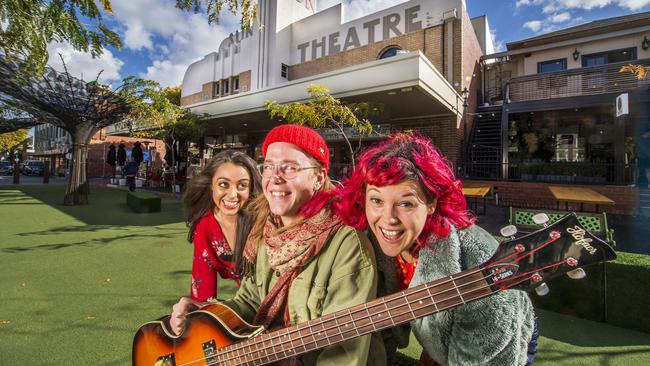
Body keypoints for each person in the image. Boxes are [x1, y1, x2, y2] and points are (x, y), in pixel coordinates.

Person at [170, 125, 384, 365]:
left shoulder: (348, 245)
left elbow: (344, 353)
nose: (274, 177)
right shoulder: (265, 229)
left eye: (290, 167)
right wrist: (204, 315)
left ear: (318, 177)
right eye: (269, 166)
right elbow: (250, 301)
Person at [331, 132, 537, 366]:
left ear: (431, 204)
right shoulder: (371, 242)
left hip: (504, 339)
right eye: (377, 200)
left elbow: (490, 356)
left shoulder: (478, 258)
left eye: (405, 203)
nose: (388, 219)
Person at [181, 150, 262, 302]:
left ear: (250, 189)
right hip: (251, 303)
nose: (233, 194)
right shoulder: (205, 226)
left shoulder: (263, 221)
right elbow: (202, 293)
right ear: (211, 185)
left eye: (242, 185)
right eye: (224, 184)